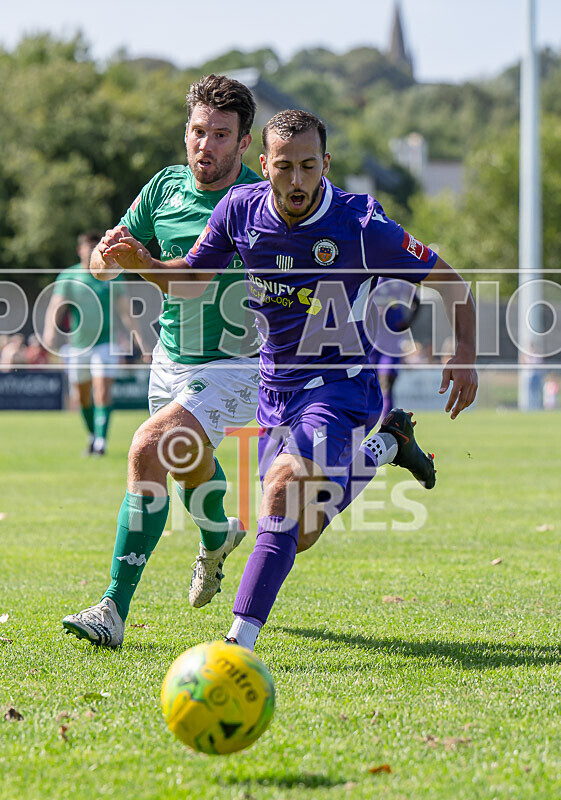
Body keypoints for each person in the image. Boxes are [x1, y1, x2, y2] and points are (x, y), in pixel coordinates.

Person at [103, 109, 478, 652]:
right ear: (264, 165)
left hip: (340, 389)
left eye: (308, 166)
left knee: (277, 497)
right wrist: (143, 261)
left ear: (325, 164)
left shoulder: (360, 224)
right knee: (298, 534)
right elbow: (189, 280)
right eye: (284, 167)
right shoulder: (240, 208)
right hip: (274, 392)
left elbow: (449, 281)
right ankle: (388, 446)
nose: (297, 180)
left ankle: (236, 646)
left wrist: (464, 350)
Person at [62, 75, 263, 647]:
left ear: (244, 143)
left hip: (236, 365)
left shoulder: (256, 203)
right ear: (186, 132)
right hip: (172, 357)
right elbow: (106, 268)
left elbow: (192, 284)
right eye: (199, 132)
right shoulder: (164, 188)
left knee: (149, 446)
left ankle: (112, 609)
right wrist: (111, 257)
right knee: (187, 468)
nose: (207, 146)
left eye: (222, 135)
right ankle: (218, 534)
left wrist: (143, 259)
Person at [42, 231, 131, 454]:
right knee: (82, 396)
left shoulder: (112, 275)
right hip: (78, 345)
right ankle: (92, 435)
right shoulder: (68, 277)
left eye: (96, 247)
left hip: (106, 342)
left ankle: (101, 442)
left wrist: (137, 337)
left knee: (101, 391)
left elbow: (125, 310)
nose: (91, 252)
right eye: (87, 248)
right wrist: (49, 332)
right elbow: (56, 306)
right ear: (79, 250)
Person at [371, 277, 421, 419]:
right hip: (370, 344)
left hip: (391, 344)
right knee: (368, 385)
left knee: (387, 382)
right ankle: (365, 424)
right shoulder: (371, 277)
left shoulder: (396, 281)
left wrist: (408, 322)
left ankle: (385, 425)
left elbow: (417, 302)